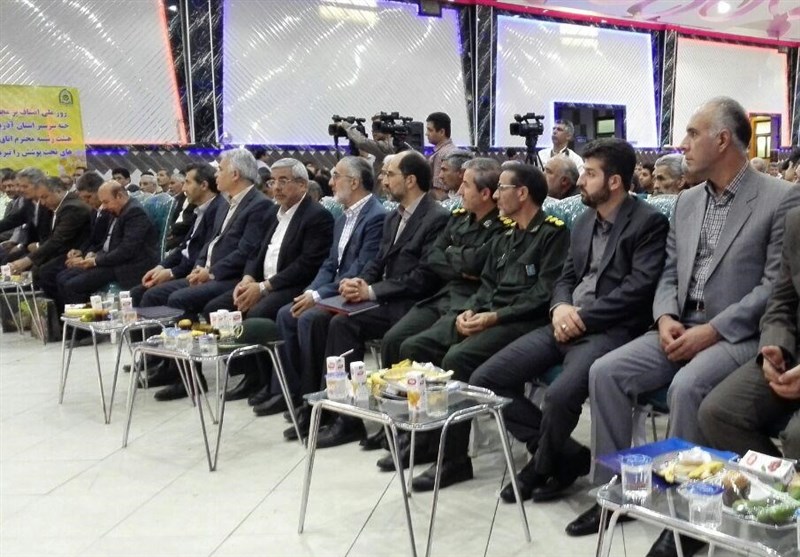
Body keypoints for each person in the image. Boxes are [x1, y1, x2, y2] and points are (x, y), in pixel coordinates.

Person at [583, 97, 800, 556]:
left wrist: (713, 330)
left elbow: (772, 286)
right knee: (606, 372)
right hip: (680, 323)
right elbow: (669, 271)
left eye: (692, 134)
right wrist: (665, 316)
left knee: (687, 387)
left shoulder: (779, 198)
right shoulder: (686, 200)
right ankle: (617, 491)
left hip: (737, 332)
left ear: (722, 140)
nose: (682, 144)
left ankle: (684, 516)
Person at [470, 139, 669, 503]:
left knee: (560, 395)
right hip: (564, 321)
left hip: (609, 329)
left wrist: (582, 317)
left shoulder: (647, 222)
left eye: (590, 174)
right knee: (486, 380)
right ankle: (566, 457)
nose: (580, 181)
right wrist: (560, 307)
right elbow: (565, 277)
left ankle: (540, 467)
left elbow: (637, 290)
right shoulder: (584, 220)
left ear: (614, 182)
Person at [401, 163, 572, 491]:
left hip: (524, 321)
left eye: (501, 189)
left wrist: (494, 317)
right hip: (491, 315)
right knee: (419, 347)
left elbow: (542, 294)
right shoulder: (506, 235)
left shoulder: (553, 233)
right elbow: (488, 284)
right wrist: (472, 310)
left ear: (522, 193)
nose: (495, 196)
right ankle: (431, 439)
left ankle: (454, 459)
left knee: (459, 359)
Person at [314, 150, 449, 448]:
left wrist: (372, 291)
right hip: (389, 299)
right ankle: (346, 418)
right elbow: (378, 261)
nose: (383, 181)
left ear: (410, 180)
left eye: (390, 174)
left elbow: (424, 277)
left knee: (393, 337)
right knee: (340, 323)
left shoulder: (437, 218)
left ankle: (398, 421)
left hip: (417, 302)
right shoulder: (394, 216)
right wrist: (360, 282)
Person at [234, 156, 385, 422]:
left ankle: (314, 398)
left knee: (309, 317)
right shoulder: (344, 218)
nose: (330, 182)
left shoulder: (376, 216)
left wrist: (317, 295)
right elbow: (329, 264)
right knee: (288, 313)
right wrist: (311, 291)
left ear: (354, 182)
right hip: (333, 288)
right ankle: (294, 393)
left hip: (354, 290)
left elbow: (360, 268)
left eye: (336, 176)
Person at [147, 149, 273, 401]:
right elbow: (211, 242)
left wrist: (211, 272)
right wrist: (200, 265)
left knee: (180, 299)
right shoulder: (227, 202)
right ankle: (174, 366)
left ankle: (191, 377)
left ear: (235, 174)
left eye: (220, 170)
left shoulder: (259, 205)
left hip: (232, 276)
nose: (216, 174)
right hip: (210, 272)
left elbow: (246, 251)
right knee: (155, 294)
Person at [699, 206, 800, 461]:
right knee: (718, 413)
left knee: (797, 436)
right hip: (794, 352)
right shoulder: (797, 221)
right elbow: (781, 301)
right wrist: (775, 345)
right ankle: (778, 483)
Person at [132, 163, 224, 308]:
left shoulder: (217, 211)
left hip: (196, 271)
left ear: (204, 185)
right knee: (136, 292)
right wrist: (161, 267)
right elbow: (184, 247)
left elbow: (199, 253)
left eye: (187, 183)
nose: (184, 188)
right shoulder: (198, 209)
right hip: (184, 268)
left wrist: (171, 273)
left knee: (152, 295)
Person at [58, 181, 158, 304]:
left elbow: (126, 250)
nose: (104, 207)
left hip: (128, 266)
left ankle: (85, 315)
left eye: (106, 202)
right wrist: (93, 254)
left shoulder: (135, 213)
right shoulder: (116, 210)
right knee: (62, 277)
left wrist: (95, 261)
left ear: (119, 196)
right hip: (111, 261)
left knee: (72, 286)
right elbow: (106, 242)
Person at [7, 177, 91, 286]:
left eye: (44, 197)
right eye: (40, 199)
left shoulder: (72, 208)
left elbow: (58, 240)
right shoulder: (58, 206)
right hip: (60, 250)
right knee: (32, 269)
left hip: (75, 252)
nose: (42, 203)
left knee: (44, 272)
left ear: (58, 191)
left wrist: (28, 260)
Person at [0, 167, 53, 264]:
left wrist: (36, 246)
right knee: (6, 260)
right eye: (19, 186)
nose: (19, 190)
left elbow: (55, 236)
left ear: (38, 185)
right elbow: (12, 220)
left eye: (24, 186)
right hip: (30, 247)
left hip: (47, 249)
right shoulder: (28, 202)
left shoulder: (49, 203)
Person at [426, 112, 458, 199]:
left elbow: (439, 191)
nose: (426, 133)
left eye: (430, 130)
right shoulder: (452, 149)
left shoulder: (441, 154)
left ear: (441, 132)